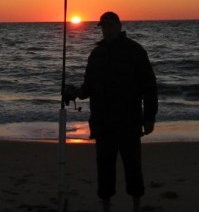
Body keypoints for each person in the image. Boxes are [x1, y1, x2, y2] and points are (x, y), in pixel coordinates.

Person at [64, 11, 158, 212]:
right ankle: (106, 207)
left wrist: (149, 117)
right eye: (103, 26)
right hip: (102, 123)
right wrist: (74, 92)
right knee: (104, 168)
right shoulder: (96, 54)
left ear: (119, 26)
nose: (106, 29)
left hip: (129, 122)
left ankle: (136, 206)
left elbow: (149, 86)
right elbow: (88, 88)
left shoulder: (135, 51)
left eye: (109, 25)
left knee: (133, 167)